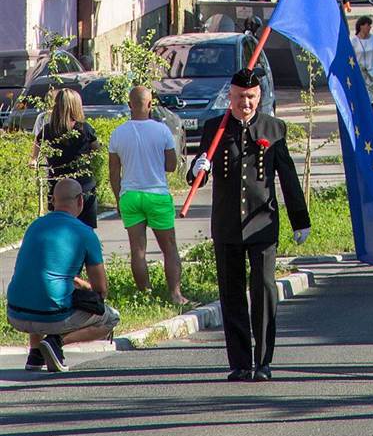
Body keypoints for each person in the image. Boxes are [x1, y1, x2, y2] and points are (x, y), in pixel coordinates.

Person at [190, 66, 309, 380]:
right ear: (230, 96)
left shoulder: (274, 128)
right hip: (228, 224)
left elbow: (288, 177)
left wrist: (300, 220)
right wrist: (197, 166)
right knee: (231, 293)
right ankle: (241, 362)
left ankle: (264, 360)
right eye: (241, 96)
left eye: (252, 97)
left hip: (262, 222)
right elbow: (197, 178)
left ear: (260, 96)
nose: (246, 103)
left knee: (264, 288)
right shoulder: (215, 128)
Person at [6, 179, 121, 374]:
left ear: (53, 200)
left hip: (15, 313)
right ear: (80, 201)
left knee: (39, 288)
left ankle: (35, 354)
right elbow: (101, 289)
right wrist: (82, 286)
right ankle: (55, 342)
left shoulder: (35, 226)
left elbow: (35, 271)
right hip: (52, 316)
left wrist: (73, 281)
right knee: (111, 318)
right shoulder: (85, 233)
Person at [107, 86, 185, 305]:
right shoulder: (162, 131)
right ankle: (176, 295)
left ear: (129, 105)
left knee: (138, 251)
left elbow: (113, 171)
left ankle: (145, 297)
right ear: (150, 104)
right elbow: (171, 166)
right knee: (169, 247)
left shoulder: (117, 133)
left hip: (130, 196)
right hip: (157, 194)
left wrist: (118, 198)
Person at [34, 88, 100, 229]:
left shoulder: (47, 131)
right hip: (84, 186)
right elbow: (97, 152)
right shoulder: (85, 129)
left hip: (58, 188)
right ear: (76, 106)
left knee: (60, 229)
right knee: (86, 231)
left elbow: (35, 156)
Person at [353, 15, 373, 94]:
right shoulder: (354, 41)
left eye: (370, 25)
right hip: (360, 73)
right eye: (368, 25)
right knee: (362, 94)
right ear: (361, 26)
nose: (370, 27)